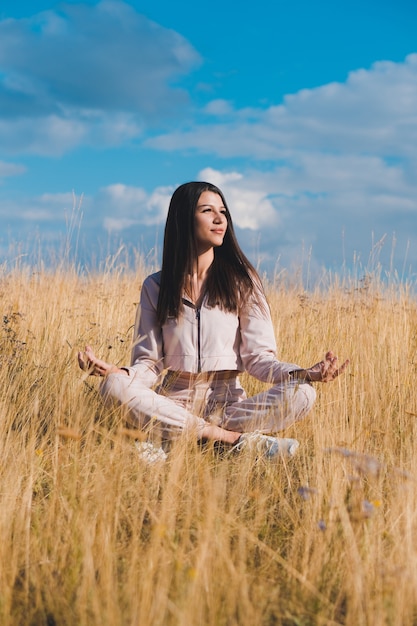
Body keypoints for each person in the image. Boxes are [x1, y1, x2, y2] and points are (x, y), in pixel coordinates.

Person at [78, 181, 349, 461]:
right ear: (184, 219)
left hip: (229, 406)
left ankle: (180, 439)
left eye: (223, 211)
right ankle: (229, 440)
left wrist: (304, 373)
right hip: (174, 402)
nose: (220, 219)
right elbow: (149, 363)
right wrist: (119, 373)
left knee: (303, 393)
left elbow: (259, 359)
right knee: (112, 387)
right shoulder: (155, 286)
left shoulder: (243, 282)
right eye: (208, 210)